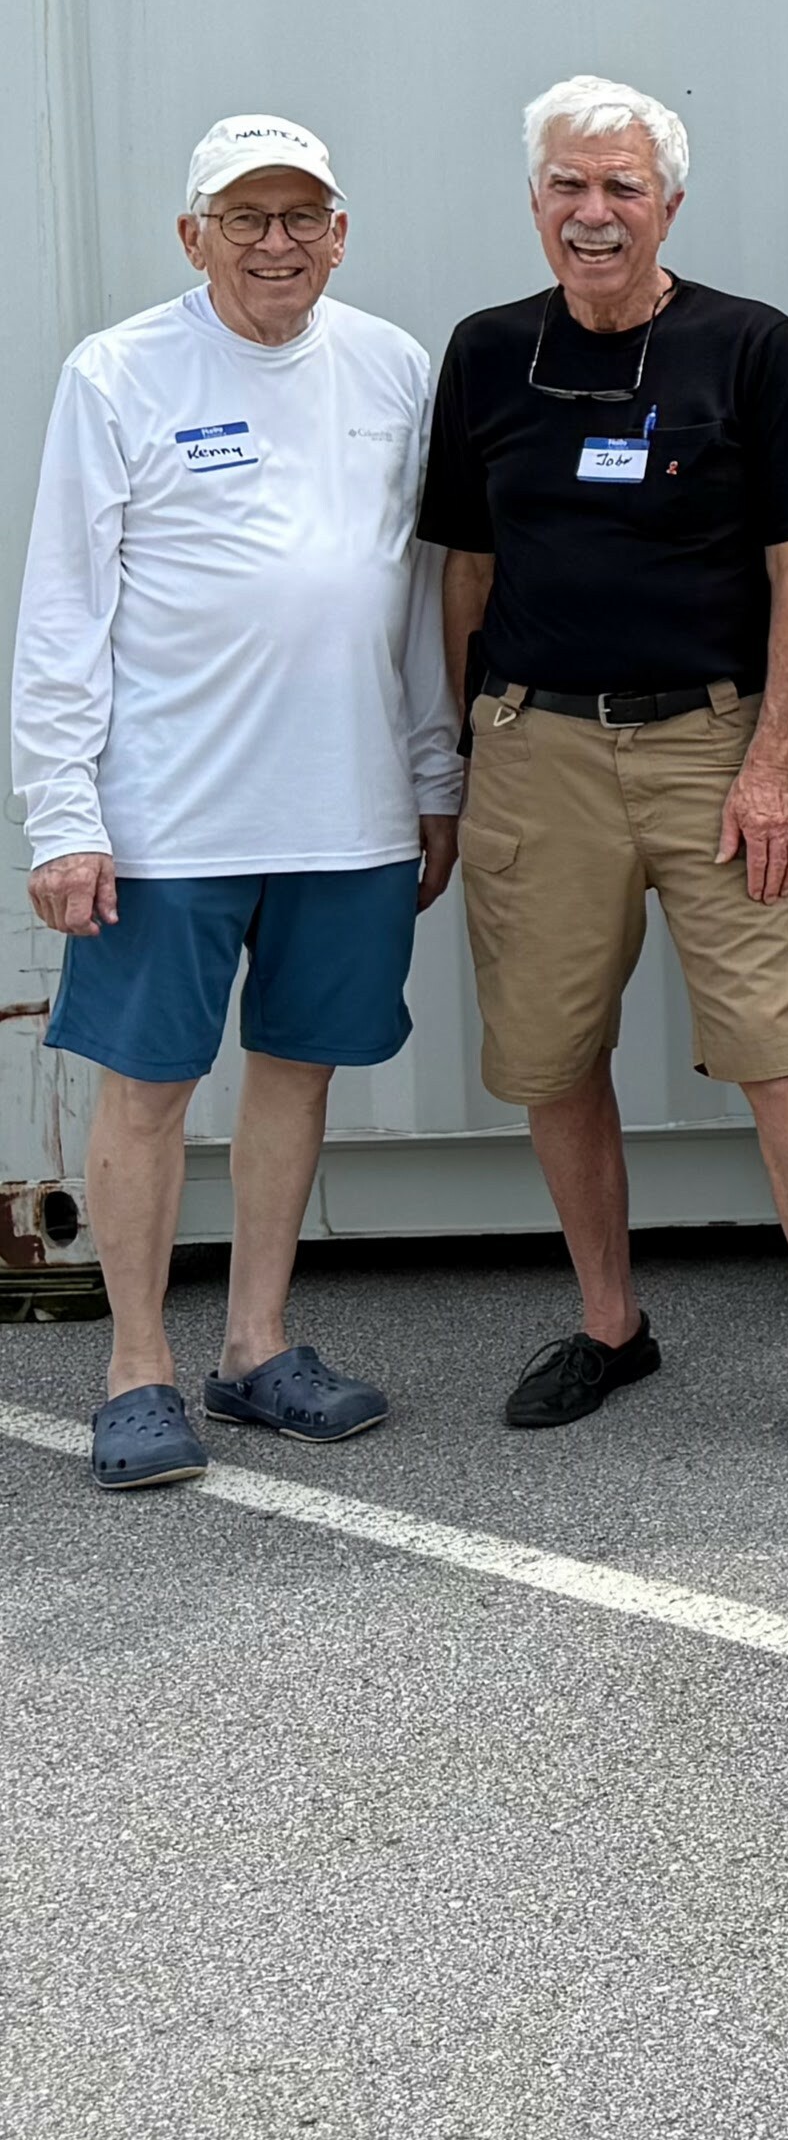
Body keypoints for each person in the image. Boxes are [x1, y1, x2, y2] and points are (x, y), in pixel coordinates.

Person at [418, 77, 788, 1473]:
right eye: (568, 185)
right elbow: (467, 573)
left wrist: (771, 761)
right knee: (553, 1051)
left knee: (783, 1045)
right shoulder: (486, 352)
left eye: (622, 185)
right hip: (536, 749)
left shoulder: (745, 345)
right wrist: (463, 758)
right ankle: (611, 1321)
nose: (594, 211)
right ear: (534, 201)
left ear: (669, 203)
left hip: (716, 751)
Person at [15, 119, 461, 1492]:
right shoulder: (118, 372)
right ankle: (136, 1368)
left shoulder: (393, 366)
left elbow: (418, 593)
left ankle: (256, 1345)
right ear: (192, 234)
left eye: (302, 215)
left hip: (348, 807)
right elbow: (64, 607)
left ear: (340, 231)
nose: (277, 241)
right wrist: (61, 814)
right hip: (168, 817)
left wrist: (433, 776)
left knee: (296, 1070)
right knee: (147, 1087)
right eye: (246, 217)